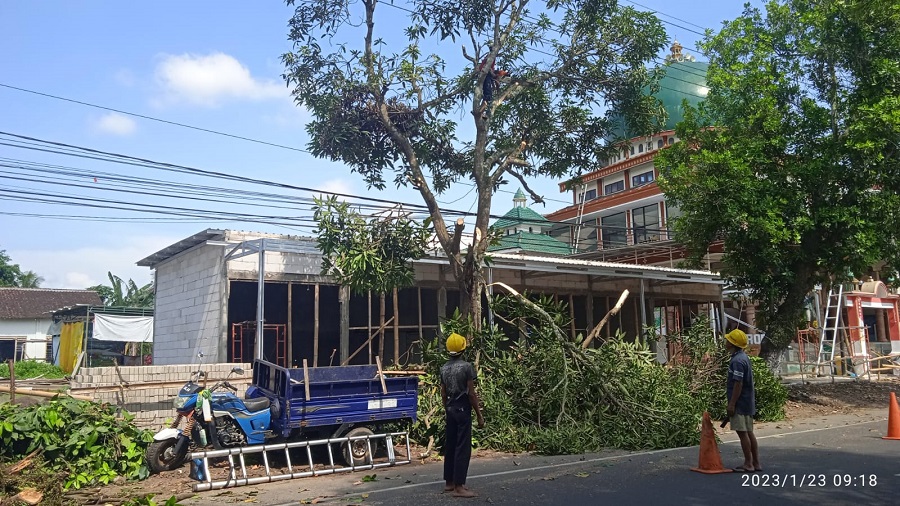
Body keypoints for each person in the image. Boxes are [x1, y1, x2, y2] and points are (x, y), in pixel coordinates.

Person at [440, 332, 485, 498]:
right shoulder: (466, 367)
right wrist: (479, 415)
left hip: (450, 409)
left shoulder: (443, 368)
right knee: (462, 447)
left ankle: (449, 482)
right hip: (462, 409)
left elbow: (443, 393)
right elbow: (471, 394)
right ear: (462, 349)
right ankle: (459, 486)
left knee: (450, 444)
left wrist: (446, 409)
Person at [724, 328, 761, 473]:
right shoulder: (743, 358)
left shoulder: (737, 361)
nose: (726, 341)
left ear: (732, 343)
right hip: (747, 401)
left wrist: (732, 403)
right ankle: (756, 462)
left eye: (728, 340)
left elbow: (737, 383)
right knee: (749, 432)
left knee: (742, 432)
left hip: (740, 402)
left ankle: (748, 463)